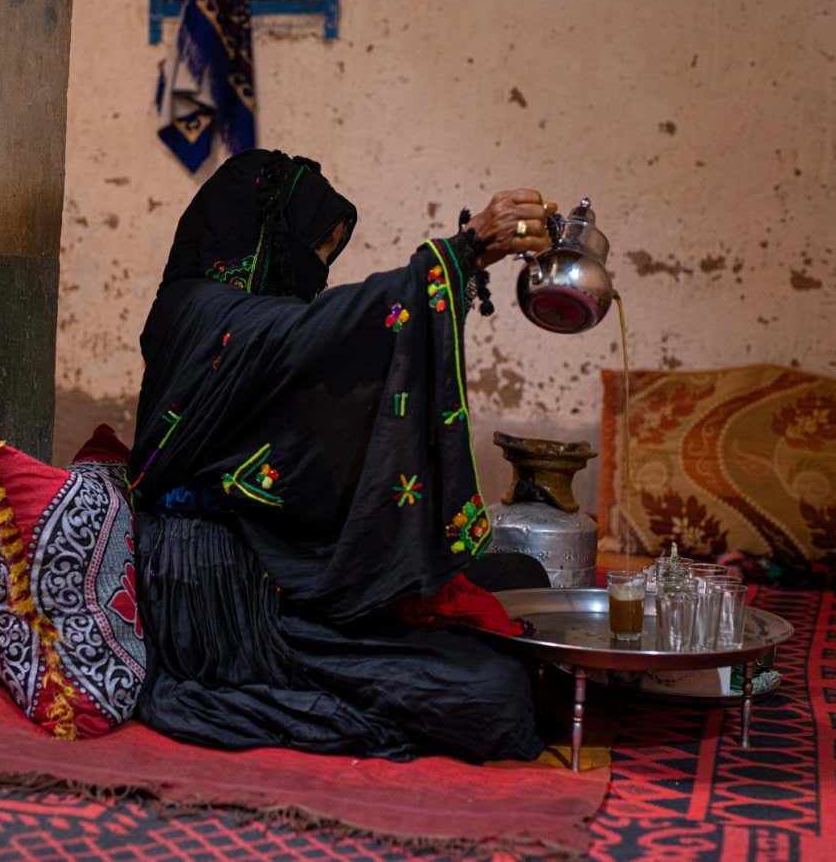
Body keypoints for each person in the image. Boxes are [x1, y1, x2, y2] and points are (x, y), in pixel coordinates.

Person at [128, 149, 556, 762]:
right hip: (220, 591)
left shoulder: (251, 322)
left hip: (277, 552)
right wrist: (463, 251)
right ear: (267, 242)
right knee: (497, 692)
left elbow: (333, 362)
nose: (320, 274)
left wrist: (456, 279)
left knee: (524, 578)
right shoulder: (200, 311)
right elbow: (325, 333)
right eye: (315, 253)